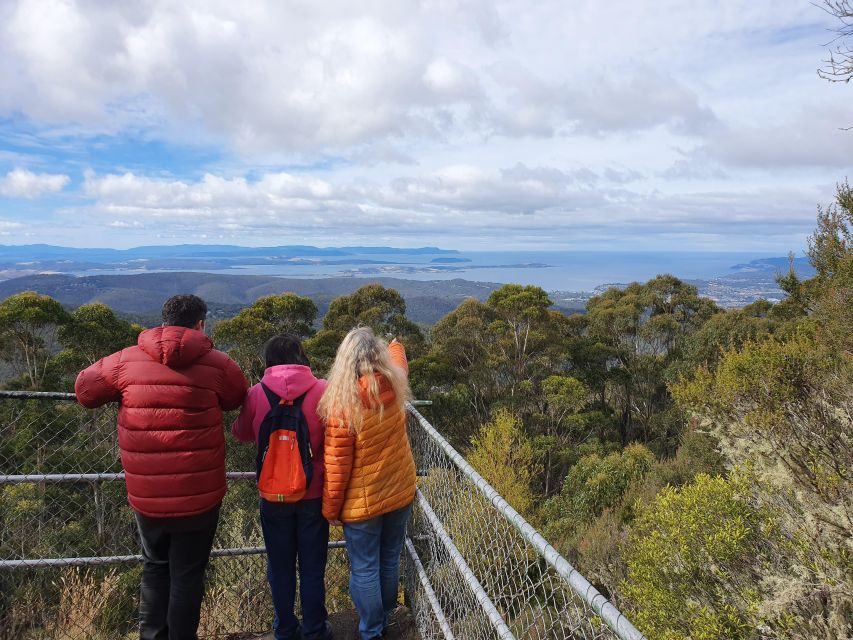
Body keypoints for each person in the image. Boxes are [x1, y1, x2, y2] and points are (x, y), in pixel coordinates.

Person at [74, 294, 248, 640]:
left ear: (163, 321)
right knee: (188, 574)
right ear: (201, 324)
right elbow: (234, 399)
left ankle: (151, 636)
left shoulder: (125, 360)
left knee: (155, 567)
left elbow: (85, 392)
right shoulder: (219, 363)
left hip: (148, 496)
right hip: (200, 497)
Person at [231, 334, 332, 640]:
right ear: (302, 357)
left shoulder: (256, 393)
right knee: (312, 568)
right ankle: (315, 630)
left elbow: (241, 433)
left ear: (269, 360)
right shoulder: (323, 390)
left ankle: (285, 629)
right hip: (313, 493)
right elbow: (333, 438)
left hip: (273, 494)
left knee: (280, 566)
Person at [319, 327, 416, 640]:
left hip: (362, 505)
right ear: (379, 357)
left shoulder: (342, 406)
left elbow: (336, 467)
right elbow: (400, 362)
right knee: (389, 558)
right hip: (399, 492)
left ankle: (371, 630)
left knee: (364, 567)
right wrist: (395, 342)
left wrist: (331, 509)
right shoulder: (394, 384)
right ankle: (386, 618)